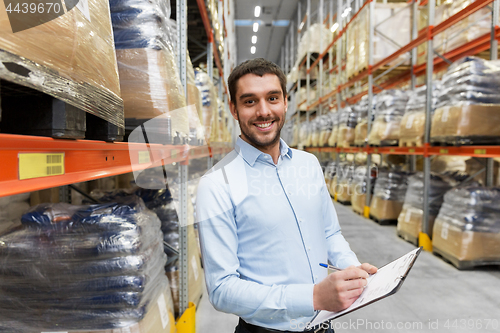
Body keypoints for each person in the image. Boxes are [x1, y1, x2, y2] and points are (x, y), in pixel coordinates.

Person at [196, 58, 377, 333]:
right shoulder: (217, 184)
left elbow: (329, 233)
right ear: (233, 109)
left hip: (322, 325)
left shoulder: (308, 164)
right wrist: (314, 296)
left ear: (285, 102)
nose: (264, 111)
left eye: (272, 98)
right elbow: (222, 289)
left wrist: (354, 269)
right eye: (249, 101)